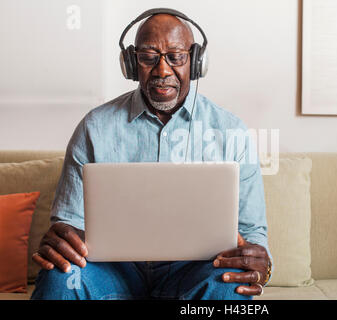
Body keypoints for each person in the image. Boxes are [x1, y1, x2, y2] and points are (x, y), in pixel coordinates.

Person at [31, 9, 271, 300]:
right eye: (148, 57)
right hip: (112, 270)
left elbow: (252, 233)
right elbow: (68, 222)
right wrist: (62, 238)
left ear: (196, 62)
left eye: (175, 56)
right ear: (132, 63)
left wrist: (259, 261)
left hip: (194, 271)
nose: (162, 71)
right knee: (61, 277)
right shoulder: (94, 127)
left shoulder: (232, 131)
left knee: (229, 287)